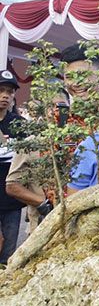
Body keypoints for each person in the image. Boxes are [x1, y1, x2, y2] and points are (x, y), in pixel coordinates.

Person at [6, 87, 71, 233]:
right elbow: (12, 185)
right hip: (42, 226)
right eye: (50, 106)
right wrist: (43, 204)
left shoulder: (81, 142)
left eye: (61, 106)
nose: (55, 111)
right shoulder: (31, 144)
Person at [0, 70, 25, 265]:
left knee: (9, 249)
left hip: (12, 198)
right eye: (1, 90)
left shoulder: (20, 125)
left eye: (9, 92)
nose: (5, 96)